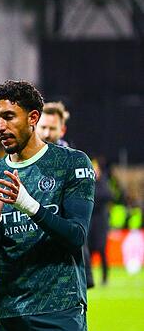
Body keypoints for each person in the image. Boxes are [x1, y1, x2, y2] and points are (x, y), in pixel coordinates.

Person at [0, 80, 95, 331]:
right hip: (9, 314)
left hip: (60, 311)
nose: (0, 127)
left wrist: (29, 205)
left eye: (8, 117)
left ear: (33, 117)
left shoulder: (70, 164)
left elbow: (76, 236)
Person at [35, 101, 95, 288]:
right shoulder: (25, 159)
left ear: (62, 130)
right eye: (43, 127)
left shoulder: (75, 162)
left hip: (66, 241)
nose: (47, 133)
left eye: (52, 128)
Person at [88, 158, 112, 286]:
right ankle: (89, 277)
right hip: (91, 222)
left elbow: (108, 196)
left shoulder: (103, 182)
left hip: (101, 223)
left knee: (102, 251)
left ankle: (104, 278)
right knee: (90, 251)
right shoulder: (89, 182)